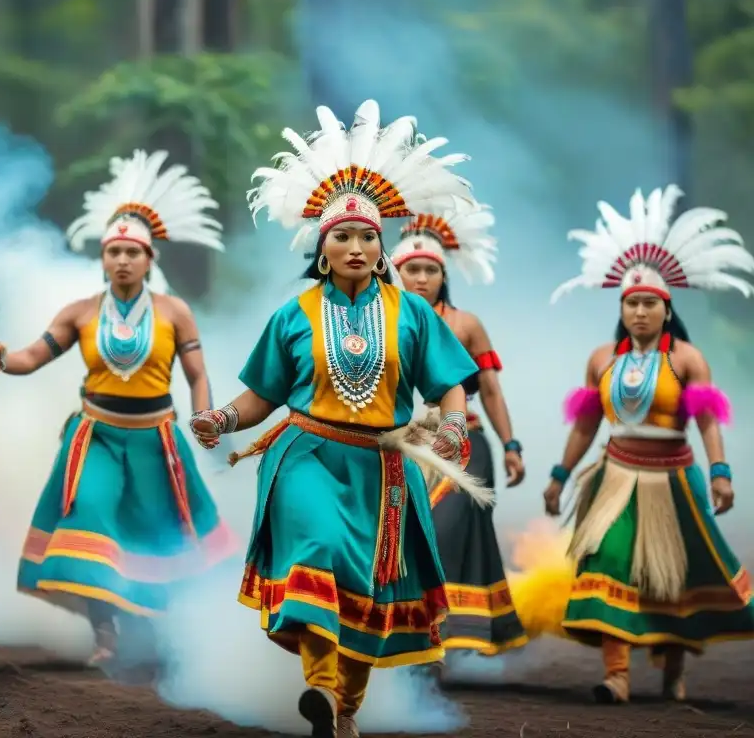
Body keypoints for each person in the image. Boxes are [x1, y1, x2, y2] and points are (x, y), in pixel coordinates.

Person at [189, 99, 494, 738]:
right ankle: (320, 688)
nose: (356, 245)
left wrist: (456, 423)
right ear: (322, 249)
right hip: (305, 454)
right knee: (317, 547)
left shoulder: (412, 314)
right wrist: (219, 418)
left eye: (367, 236)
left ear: (381, 249)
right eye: (342, 236)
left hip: (382, 469)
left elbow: (452, 386)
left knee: (367, 590)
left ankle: (342, 711)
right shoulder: (292, 314)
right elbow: (261, 397)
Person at [0, 149, 236, 669]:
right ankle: (106, 635)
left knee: (156, 534)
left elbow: (196, 375)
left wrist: (206, 417)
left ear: (150, 259)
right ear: (102, 257)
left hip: (156, 441)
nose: (122, 260)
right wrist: (3, 358)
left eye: (132, 252)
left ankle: (156, 637)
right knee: (90, 519)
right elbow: (33, 355)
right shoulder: (79, 313)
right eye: (113, 250)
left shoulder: (173, 312)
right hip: (95, 437)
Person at [540, 184, 754, 703]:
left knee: (669, 580)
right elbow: (586, 425)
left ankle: (672, 670)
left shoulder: (687, 359)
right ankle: (617, 675)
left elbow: (707, 424)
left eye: (649, 304)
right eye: (632, 303)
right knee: (606, 561)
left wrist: (721, 472)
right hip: (614, 477)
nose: (639, 312)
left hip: (673, 482)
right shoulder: (601, 360)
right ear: (621, 305)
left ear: (665, 307)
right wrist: (560, 475)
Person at [391, 200, 529, 660]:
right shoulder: (387, 321)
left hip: (466, 441)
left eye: (431, 269)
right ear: (398, 273)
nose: (423, 278)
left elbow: (490, 390)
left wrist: (510, 445)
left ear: (443, 273)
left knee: (447, 527)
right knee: (402, 531)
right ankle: (409, 634)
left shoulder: (467, 325)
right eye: (413, 269)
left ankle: (442, 634)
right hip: (409, 442)